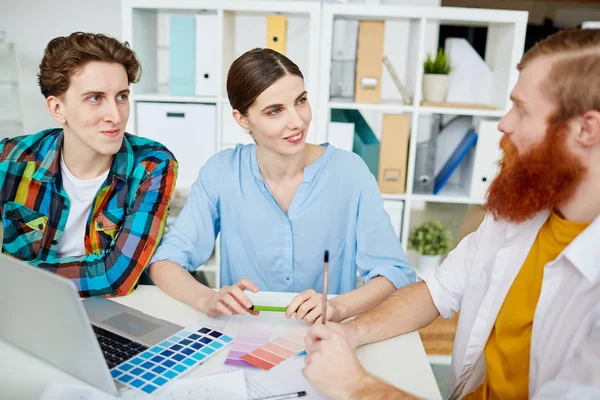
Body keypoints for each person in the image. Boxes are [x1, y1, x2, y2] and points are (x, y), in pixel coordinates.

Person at [302, 28, 600, 399]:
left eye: (522, 109)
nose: (505, 123)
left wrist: (356, 385)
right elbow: (436, 290)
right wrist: (352, 331)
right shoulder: (524, 210)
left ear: (586, 128)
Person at [149, 48, 415, 322]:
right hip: (242, 336)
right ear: (242, 119)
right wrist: (207, 298)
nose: (298, 122)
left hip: (327, 336)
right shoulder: (221, 173)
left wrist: (339, 307)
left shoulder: (350, 172)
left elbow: (394, 272)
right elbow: (165, 263)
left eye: (301, 101)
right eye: (275, 111)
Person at [0, 32, 177, 297]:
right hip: (23, 306)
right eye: (95, 98)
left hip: (114, 311)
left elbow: (115, 276)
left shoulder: (151, 165)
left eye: (121, 96)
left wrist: (15, 276)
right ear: (57, 108)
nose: (115, 116)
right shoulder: (9, 159)